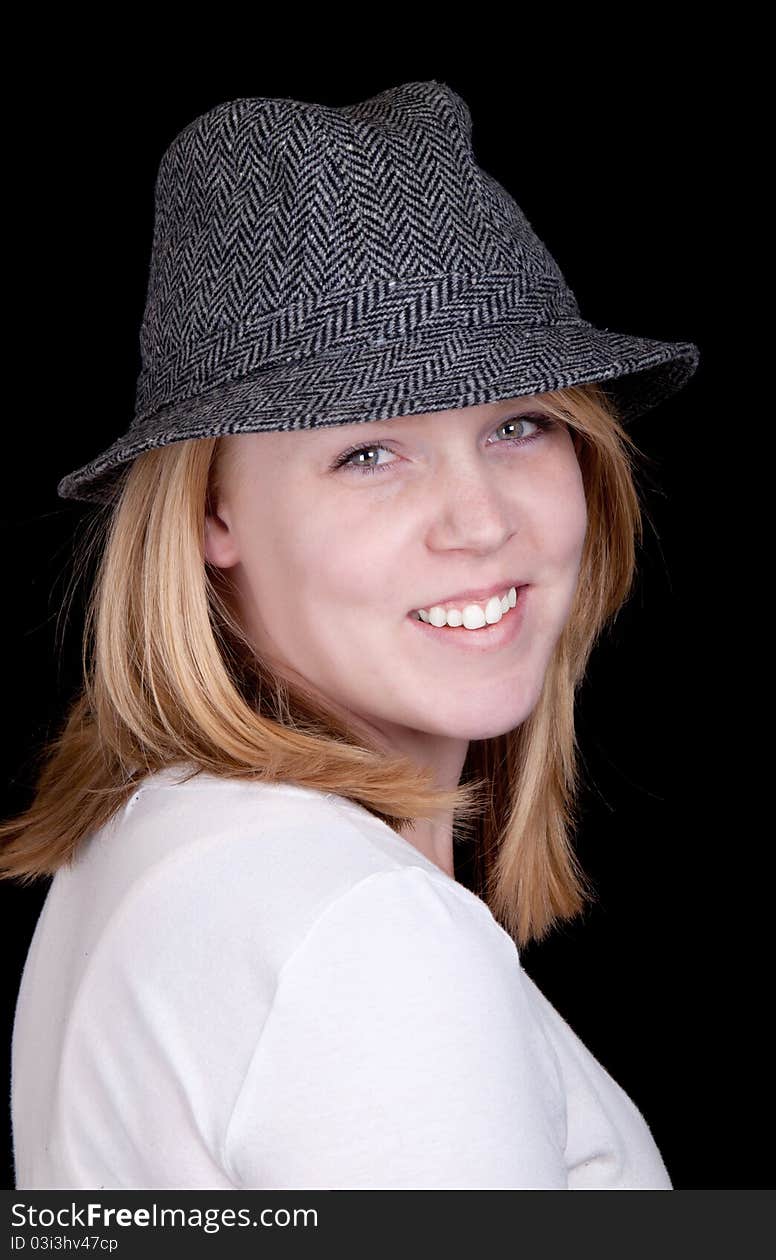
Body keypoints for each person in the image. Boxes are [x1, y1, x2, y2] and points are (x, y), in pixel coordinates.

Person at [0, 81, 699, 1190]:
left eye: (518, 425)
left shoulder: (167, 841)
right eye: (368, 454)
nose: (481, 523)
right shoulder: (360, 935)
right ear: (209, 514)